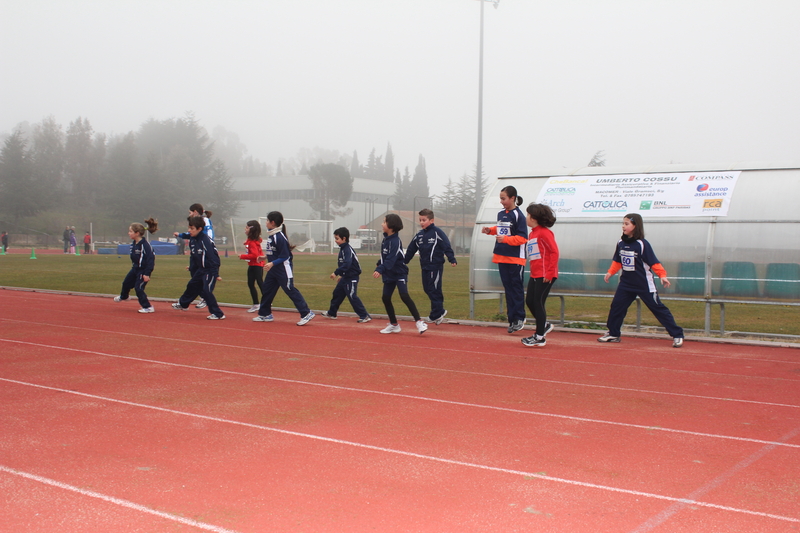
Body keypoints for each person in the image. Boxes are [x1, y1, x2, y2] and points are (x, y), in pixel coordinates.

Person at [598, 213, 685, 348]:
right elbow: (617, 261)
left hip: (644, 284)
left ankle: (677, 334)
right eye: (623, 223)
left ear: (635, 226)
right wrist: (610, 272)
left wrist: (662, 276)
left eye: (627, 224)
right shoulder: (620, 243)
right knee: (617, 307)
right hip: (626, 284)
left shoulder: (642, 244)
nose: (623, 226)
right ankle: (613, 333)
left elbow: (654, 262)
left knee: (657, 308)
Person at [252, 211, 315, 326]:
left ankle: (306, 313)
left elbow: (285, 256)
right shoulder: (272, 236)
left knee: (289, 289)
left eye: (267, 220)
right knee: (267, 289)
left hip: (283, 269)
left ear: (272, 222)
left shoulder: (279, 237)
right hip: (274, 269)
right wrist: (265, 257)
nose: (265, 223)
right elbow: (275, 252)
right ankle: (265, 314)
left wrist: (271, 264)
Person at [481, 185, 528, 333]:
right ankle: (512, 319)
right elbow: (502, 228)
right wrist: (490, 231)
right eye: (500, 198)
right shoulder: (501, 214)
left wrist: (506, 239)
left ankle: (520, 317)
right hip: (502, 257)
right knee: (508, 289)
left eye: (503, 198)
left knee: (516, 288)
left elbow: (522, 238)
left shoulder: (519, 216)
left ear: (512, 198)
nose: (501, 201)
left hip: (515, 259)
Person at [373, 213, 427, 334]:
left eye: (384, 222)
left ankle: (419, 322)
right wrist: (379, 263)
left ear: (391, 226)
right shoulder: (386, 240)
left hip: (399, 273)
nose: (382, 224)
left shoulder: (395, 241)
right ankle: (394, 324)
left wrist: (380, 269)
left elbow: (391, 259)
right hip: (389, 274)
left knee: (404, 295)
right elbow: (385, 256)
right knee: (385, 298)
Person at [404, 209, 457, 325]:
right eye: (420, 220)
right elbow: (411, 249)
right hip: (425, 267)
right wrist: (404, 261)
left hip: (435, 266)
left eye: (424, 220)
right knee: (427, 289)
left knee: (434, 289)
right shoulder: (419, 235)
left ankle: (436, 313)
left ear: (431, 220)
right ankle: (439, 312)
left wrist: (451, 258)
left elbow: (446, 245)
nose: (422, 222)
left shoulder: (437, 232)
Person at [171, 216, 225, 320]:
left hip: (210, 269)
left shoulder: (205, 240)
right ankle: (183, 304)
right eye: (189, 228)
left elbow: (212, 257)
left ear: (199, 229)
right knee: (192, 285)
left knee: (206, 290)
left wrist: (215, 273)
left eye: (192, 228)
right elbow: (194, 256)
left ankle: (218, 313)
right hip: (201, 269)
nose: (189, 230)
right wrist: (192, 267)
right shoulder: (192, 240)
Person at [520, 203, 559, 347]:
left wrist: (549, 272)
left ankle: (540, 336)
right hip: (535, 274)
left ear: (534, 218)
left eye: (528, 215)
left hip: (545, 275)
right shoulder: (532, 233)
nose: (526, 217)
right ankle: (544, 325)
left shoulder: (544, 232)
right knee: (530, 301)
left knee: (538, 302)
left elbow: (554, 252)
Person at [322, 227, 371, 323]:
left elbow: (347, 264)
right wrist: (342, 275)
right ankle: (332, 313)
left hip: (352, 277)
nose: (335, 241)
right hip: (345, 277)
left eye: (337, 238)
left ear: (344, 238)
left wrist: (336, 273)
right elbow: (344, 264)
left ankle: (364, 315)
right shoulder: (342, 249)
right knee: (337, 293)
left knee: (352, 296)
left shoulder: (347, 250)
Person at [173, 203, 214, 309]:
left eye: (190, 212)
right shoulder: (193, 224)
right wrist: (180, 235)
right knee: (194, 279)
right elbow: (191, 234)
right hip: (195, 253)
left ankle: (204, 299)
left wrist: (206, 244)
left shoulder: (205, 221)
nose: (189, 214)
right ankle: (185, 303)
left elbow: (208, 235)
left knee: (199, 279)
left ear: (195, 212)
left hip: (202, 253)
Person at [114, 218, 158, 313]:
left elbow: (150, 260)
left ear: (137, 233)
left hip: (143, 270)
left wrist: (147, 273)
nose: (128, 233)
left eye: (130, 231)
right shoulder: (134, 244)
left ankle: (148, 307)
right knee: (126, 284)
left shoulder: (145, 245)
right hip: (135, 269)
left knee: (139, 288)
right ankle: (124, 296)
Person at [238, 219, 265, 312]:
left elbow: (255, 255)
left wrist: (242, 256)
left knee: (260, 283)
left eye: (246, 227)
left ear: (251, 229)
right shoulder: (251, 240)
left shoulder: (253, 242)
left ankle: (266, 302)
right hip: (252, 265)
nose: (245, 229)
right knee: (251, 284)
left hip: (257, 265)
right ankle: (256, 304)